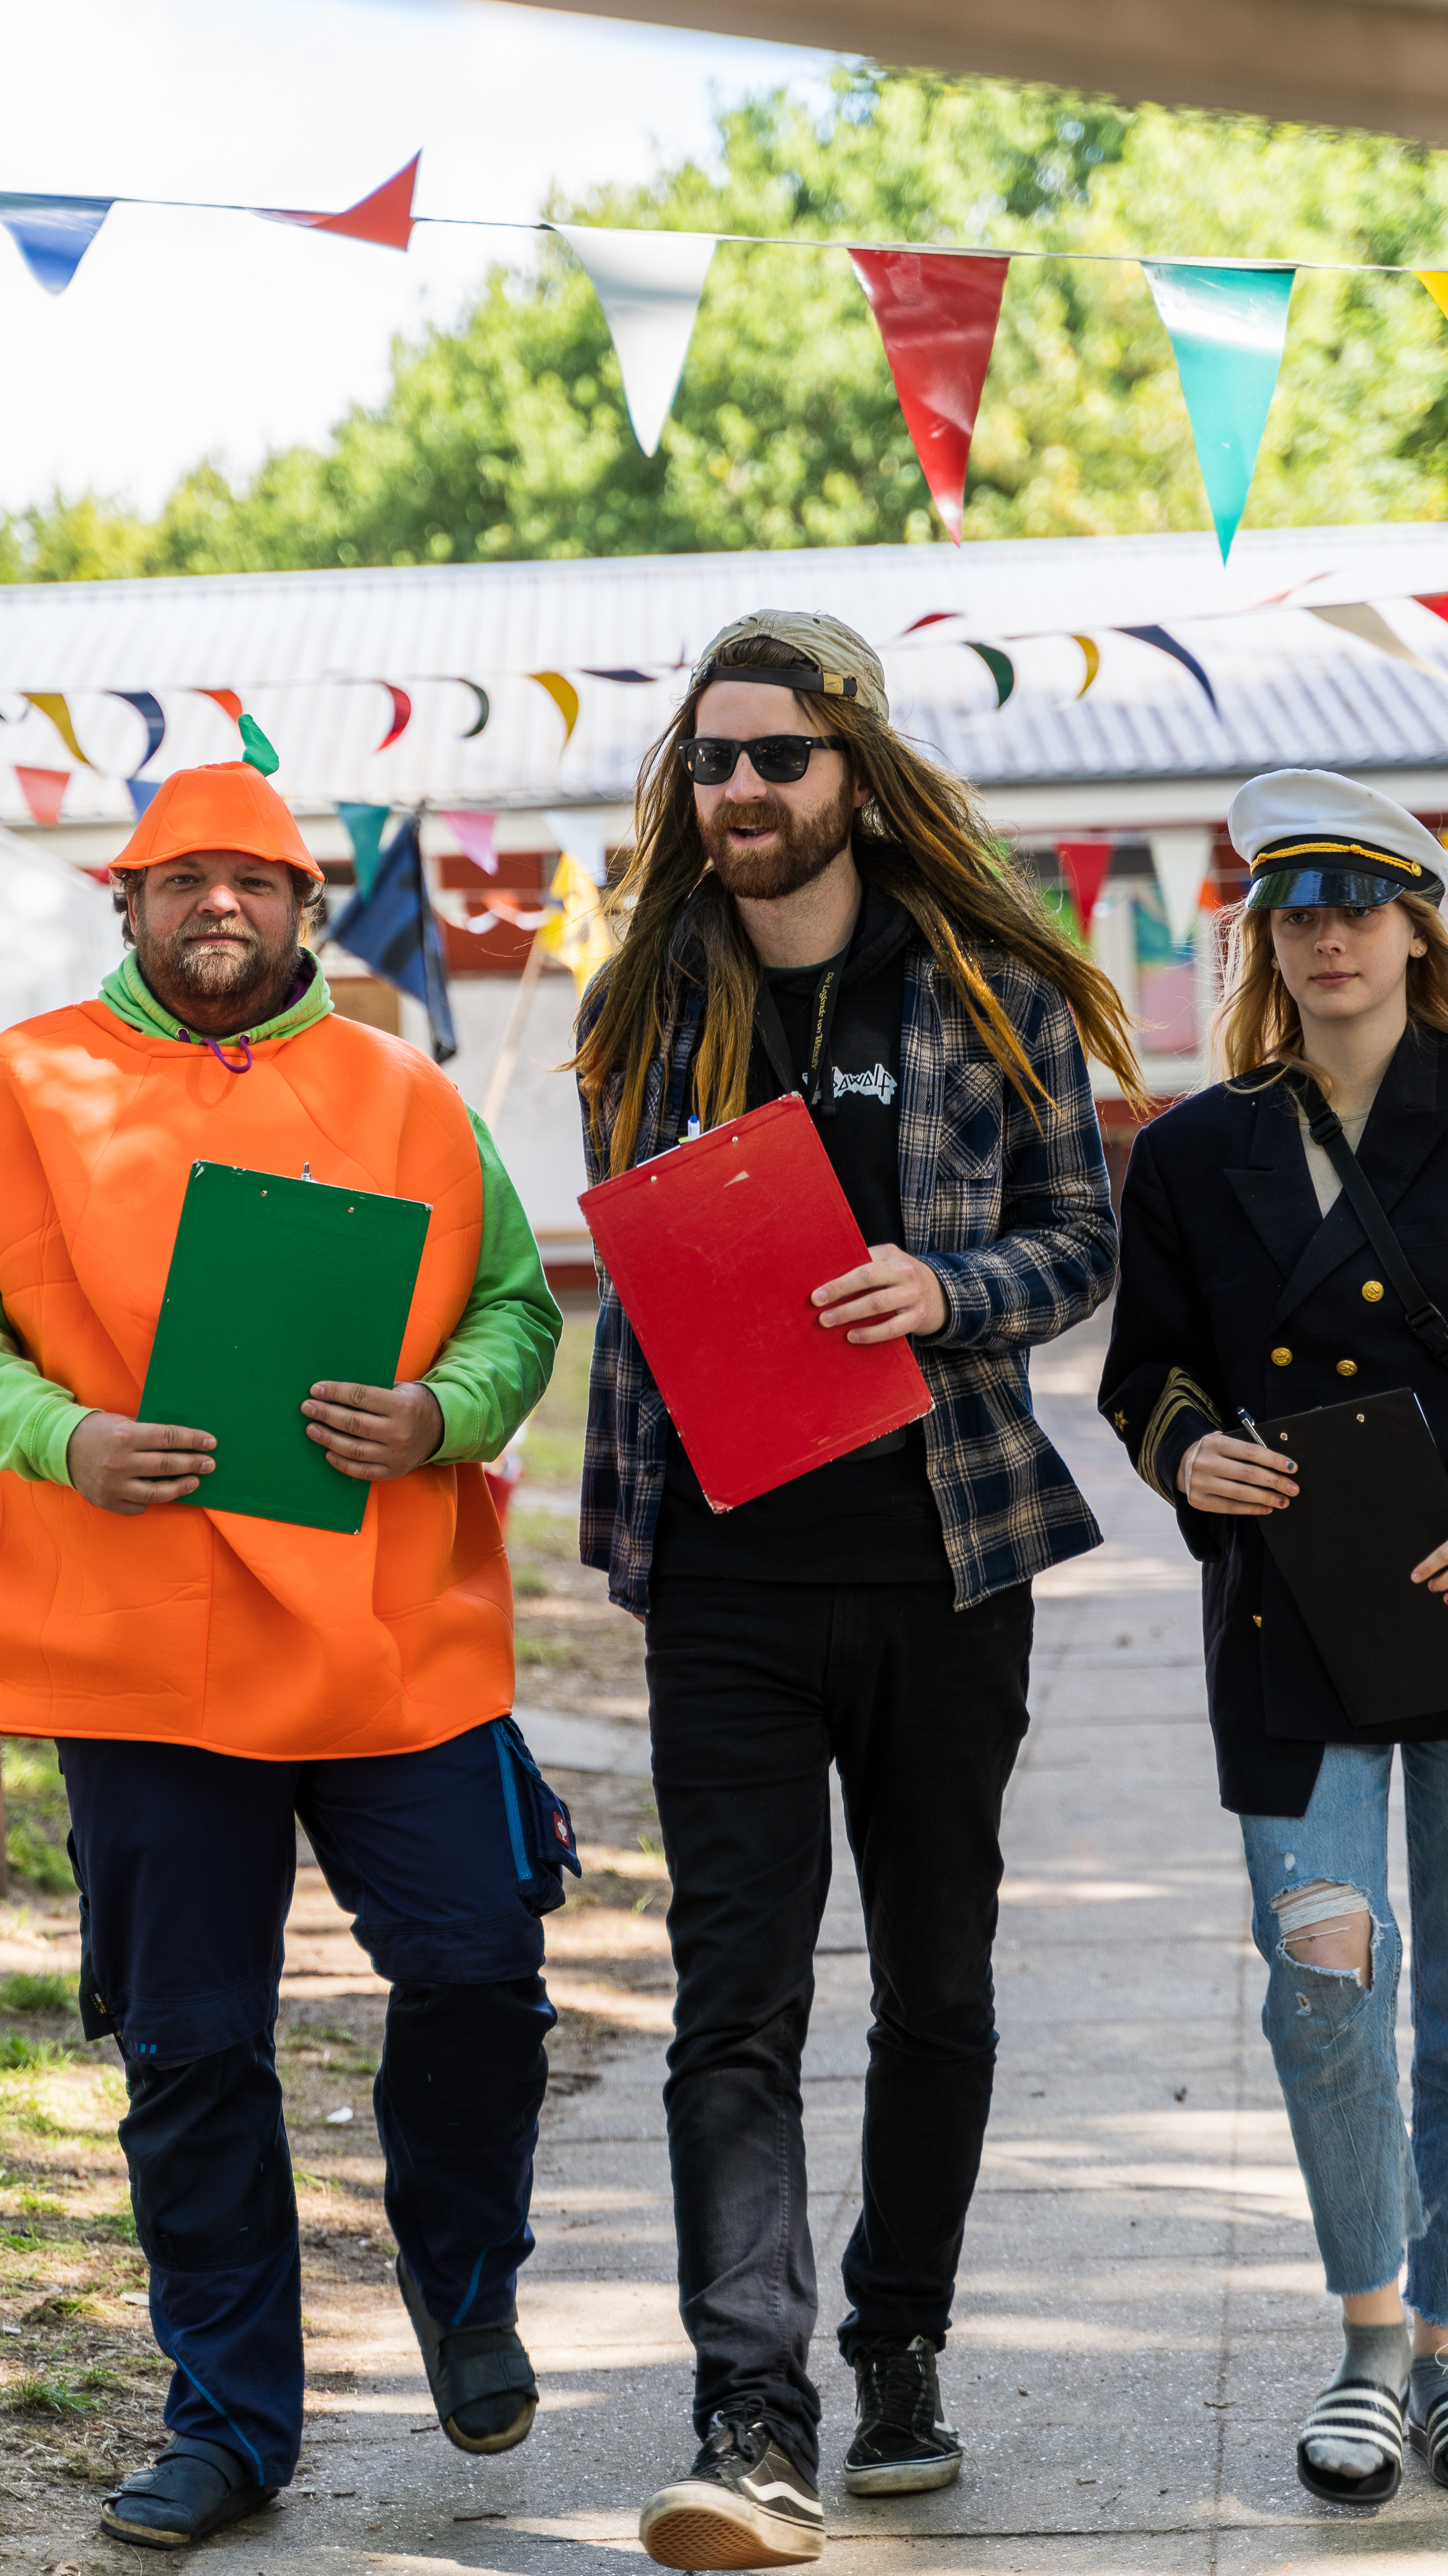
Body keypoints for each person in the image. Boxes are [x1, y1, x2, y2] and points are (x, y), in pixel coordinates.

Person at [0, 742, 566, 2552]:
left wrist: (438, 1415)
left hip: (386, 1631)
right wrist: (62, 1439)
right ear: (126, 898)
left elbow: (513, 1307)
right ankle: (228, 2419)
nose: (218, 906)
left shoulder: (410, 1092)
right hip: (141, 1654)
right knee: (191, 2048)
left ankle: (462, 2276)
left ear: (301, 905)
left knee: (484, 1971)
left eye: (251, 881)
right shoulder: (16, 1088)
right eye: (182, 880)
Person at [573, 611, 1145, 2568]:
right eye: (712, 761)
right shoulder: (643, 1002)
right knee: (730, 2006)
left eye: (777, 759)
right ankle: (754, 2411)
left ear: (854, 771)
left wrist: (945, 1292)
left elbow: (1080, 1241)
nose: (740, 791)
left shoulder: (988, 995)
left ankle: (896, 2341)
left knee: (937, 1988)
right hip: (721, 1574)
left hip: (943, 1565)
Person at [1100, 769, 1448, 2509]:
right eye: (1298, 902)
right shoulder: (1195, 1148)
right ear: (1265, 932)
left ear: (1420, 915)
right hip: (1292, 1626)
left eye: (1361, 896)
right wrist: (1184, 1448)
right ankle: (1364, 2342)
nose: (1330, 928)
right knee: (1325, 1990)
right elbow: (1148, 1378)